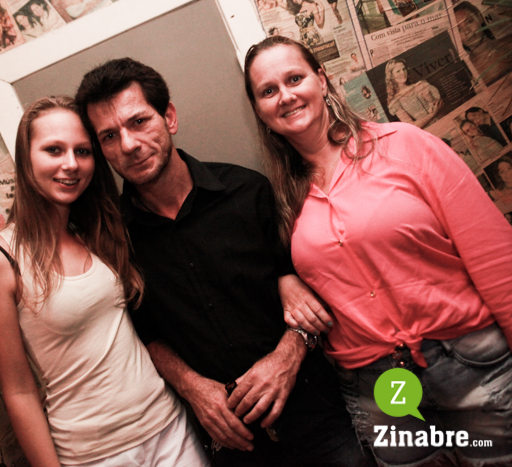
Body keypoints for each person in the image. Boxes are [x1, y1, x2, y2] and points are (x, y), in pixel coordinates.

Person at [243, 35, 512, 466]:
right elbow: (305, 272)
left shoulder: (405, 145)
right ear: (260, 111)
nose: (285, 96)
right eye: (268, 90)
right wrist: (286, 280)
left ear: (322, 79)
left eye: (295, 78)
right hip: (379, 391)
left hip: (469, 367)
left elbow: (494, 254)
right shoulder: (283, 200)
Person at [76, 58, 372, 467]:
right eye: (109, 136)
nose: (128, 144)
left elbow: (312, 285)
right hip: (232, 440)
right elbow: (144, 335)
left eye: (139, 122)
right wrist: (192, 388)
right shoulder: (113, 243)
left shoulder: (249, 192)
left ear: (169, 117)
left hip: (315, 413)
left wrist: (288, 355)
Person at [0, 96, 207, 467]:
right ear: (26, 158)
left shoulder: (98, 231)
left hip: (169, 429)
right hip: (94, 455)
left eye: (82, 151)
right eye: (53, 150)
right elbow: (19, 391)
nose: (71, 164)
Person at [453, 1, 512, 86]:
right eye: (458, 29)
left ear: (479, 17)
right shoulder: (465, 71)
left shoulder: (510, 43)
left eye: (470, 21)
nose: (467, 31)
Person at [385, 58, 442, 129]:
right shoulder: (395, 102)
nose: (403, 73)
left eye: (404, 69)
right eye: (398, 71)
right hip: (427, 131)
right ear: (392, 76)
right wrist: (432, 114)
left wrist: (432, 99)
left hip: (443, 122)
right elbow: (412, 126)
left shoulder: (421, 85)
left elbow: (440, 103)